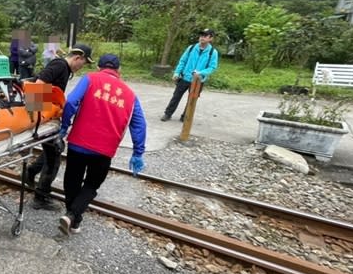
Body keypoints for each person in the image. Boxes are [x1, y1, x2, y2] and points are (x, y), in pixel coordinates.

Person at [58, 54, 147, 235]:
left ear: (99, 67)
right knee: (92, 184)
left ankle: (72, 217)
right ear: (118, 70)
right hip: (104, 150)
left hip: (78, 143)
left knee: (72, 180)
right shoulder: (130, 95)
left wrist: (64, 126)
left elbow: (71, 102)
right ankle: (73, 217)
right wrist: (138, 152)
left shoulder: (90, 79)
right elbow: (139, 124)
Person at [25, 44, 94, 211]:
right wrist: (41, 116)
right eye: (83, 63)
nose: (81, 67)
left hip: (46, 117)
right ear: (78, 58)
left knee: (52, 150)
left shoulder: (63, 69)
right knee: (54, 155)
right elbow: (38, 85)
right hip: (42, 118)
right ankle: (40, 197)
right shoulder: (59, 65)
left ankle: (30, 172)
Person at [161, 29, 218, 122]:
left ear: (211, 38)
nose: (202, 37)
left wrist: (201, 73)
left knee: (192, 100)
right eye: (201, 35)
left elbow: (212, 67)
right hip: (185, 77)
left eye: (205, 36)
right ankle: (168, 114)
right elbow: (182, 61)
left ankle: (185, 116)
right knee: (176, 96)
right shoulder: (191, 48)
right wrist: (177, 72)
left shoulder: (212, 52)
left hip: (198, 80)